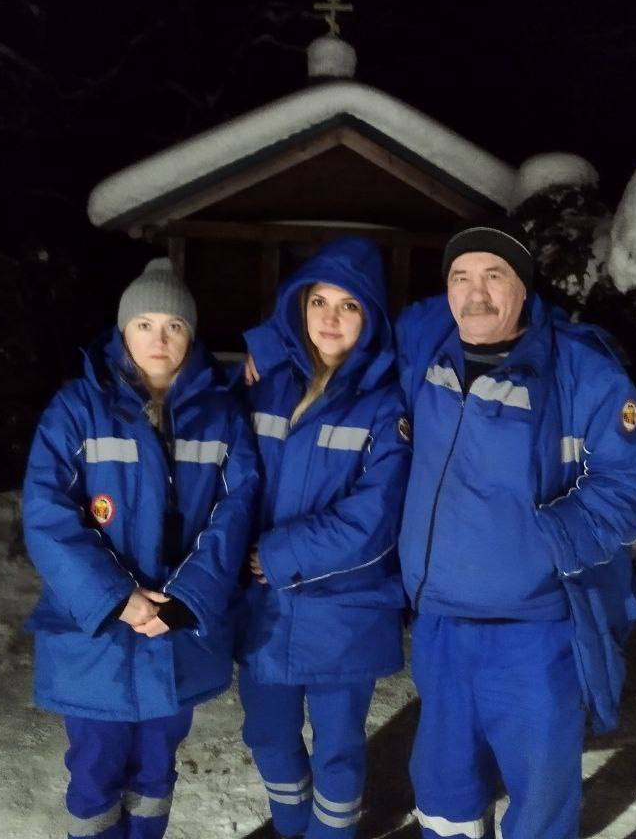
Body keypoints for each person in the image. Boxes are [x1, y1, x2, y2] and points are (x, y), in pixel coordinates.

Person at [395, 219, 636, 839]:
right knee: (443, 790)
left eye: (494, 275)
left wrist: (551, 541)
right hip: (440, 627)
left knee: (540, 799)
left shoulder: (579, 369)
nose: (475, 293)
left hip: (535, 632)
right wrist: (266, 356)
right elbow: (337, 335)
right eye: (461, 277)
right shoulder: (426, 351)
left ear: (524, 288)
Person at [21, 258, 258, 839]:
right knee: (95, 772)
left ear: (191, 337)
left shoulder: (221, 416)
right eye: (145, 324)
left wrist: (187, 599)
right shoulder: (78, 409)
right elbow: (47, 513)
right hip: (97, 636)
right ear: (123, 331)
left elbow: (236, 510)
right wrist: (116, 597)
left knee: (156, 771)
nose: (159, 338)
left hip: (176, 634)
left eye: (174, 326)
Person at [237, 236, 412, 839]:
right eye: (318, 302)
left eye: (349, 305)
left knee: (337, 750)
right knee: (266, 734)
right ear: (299, 307)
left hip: (346, 610)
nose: (331, 318)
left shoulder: (386, 402)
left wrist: (278, 552)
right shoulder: (268, 385)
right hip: (266, 609)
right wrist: (265, 343)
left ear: (371, 316)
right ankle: (292, 827)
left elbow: (376, 517)